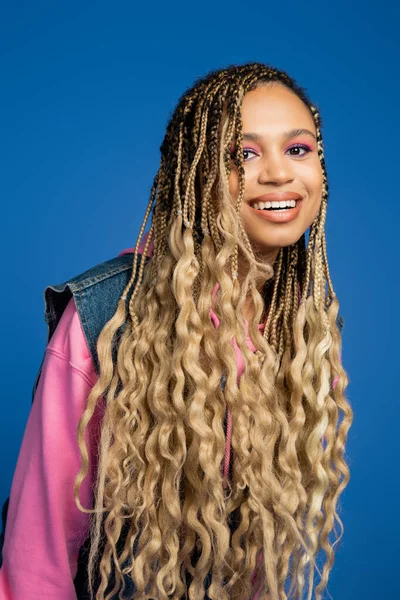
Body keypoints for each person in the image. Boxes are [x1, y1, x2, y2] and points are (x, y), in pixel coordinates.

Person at [0, 62, 352, 600]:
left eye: (298, 149)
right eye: (243, 154)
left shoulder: (300, 322)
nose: (279, 173)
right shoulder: (105, 317)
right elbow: (36, 560)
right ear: (194, 173)